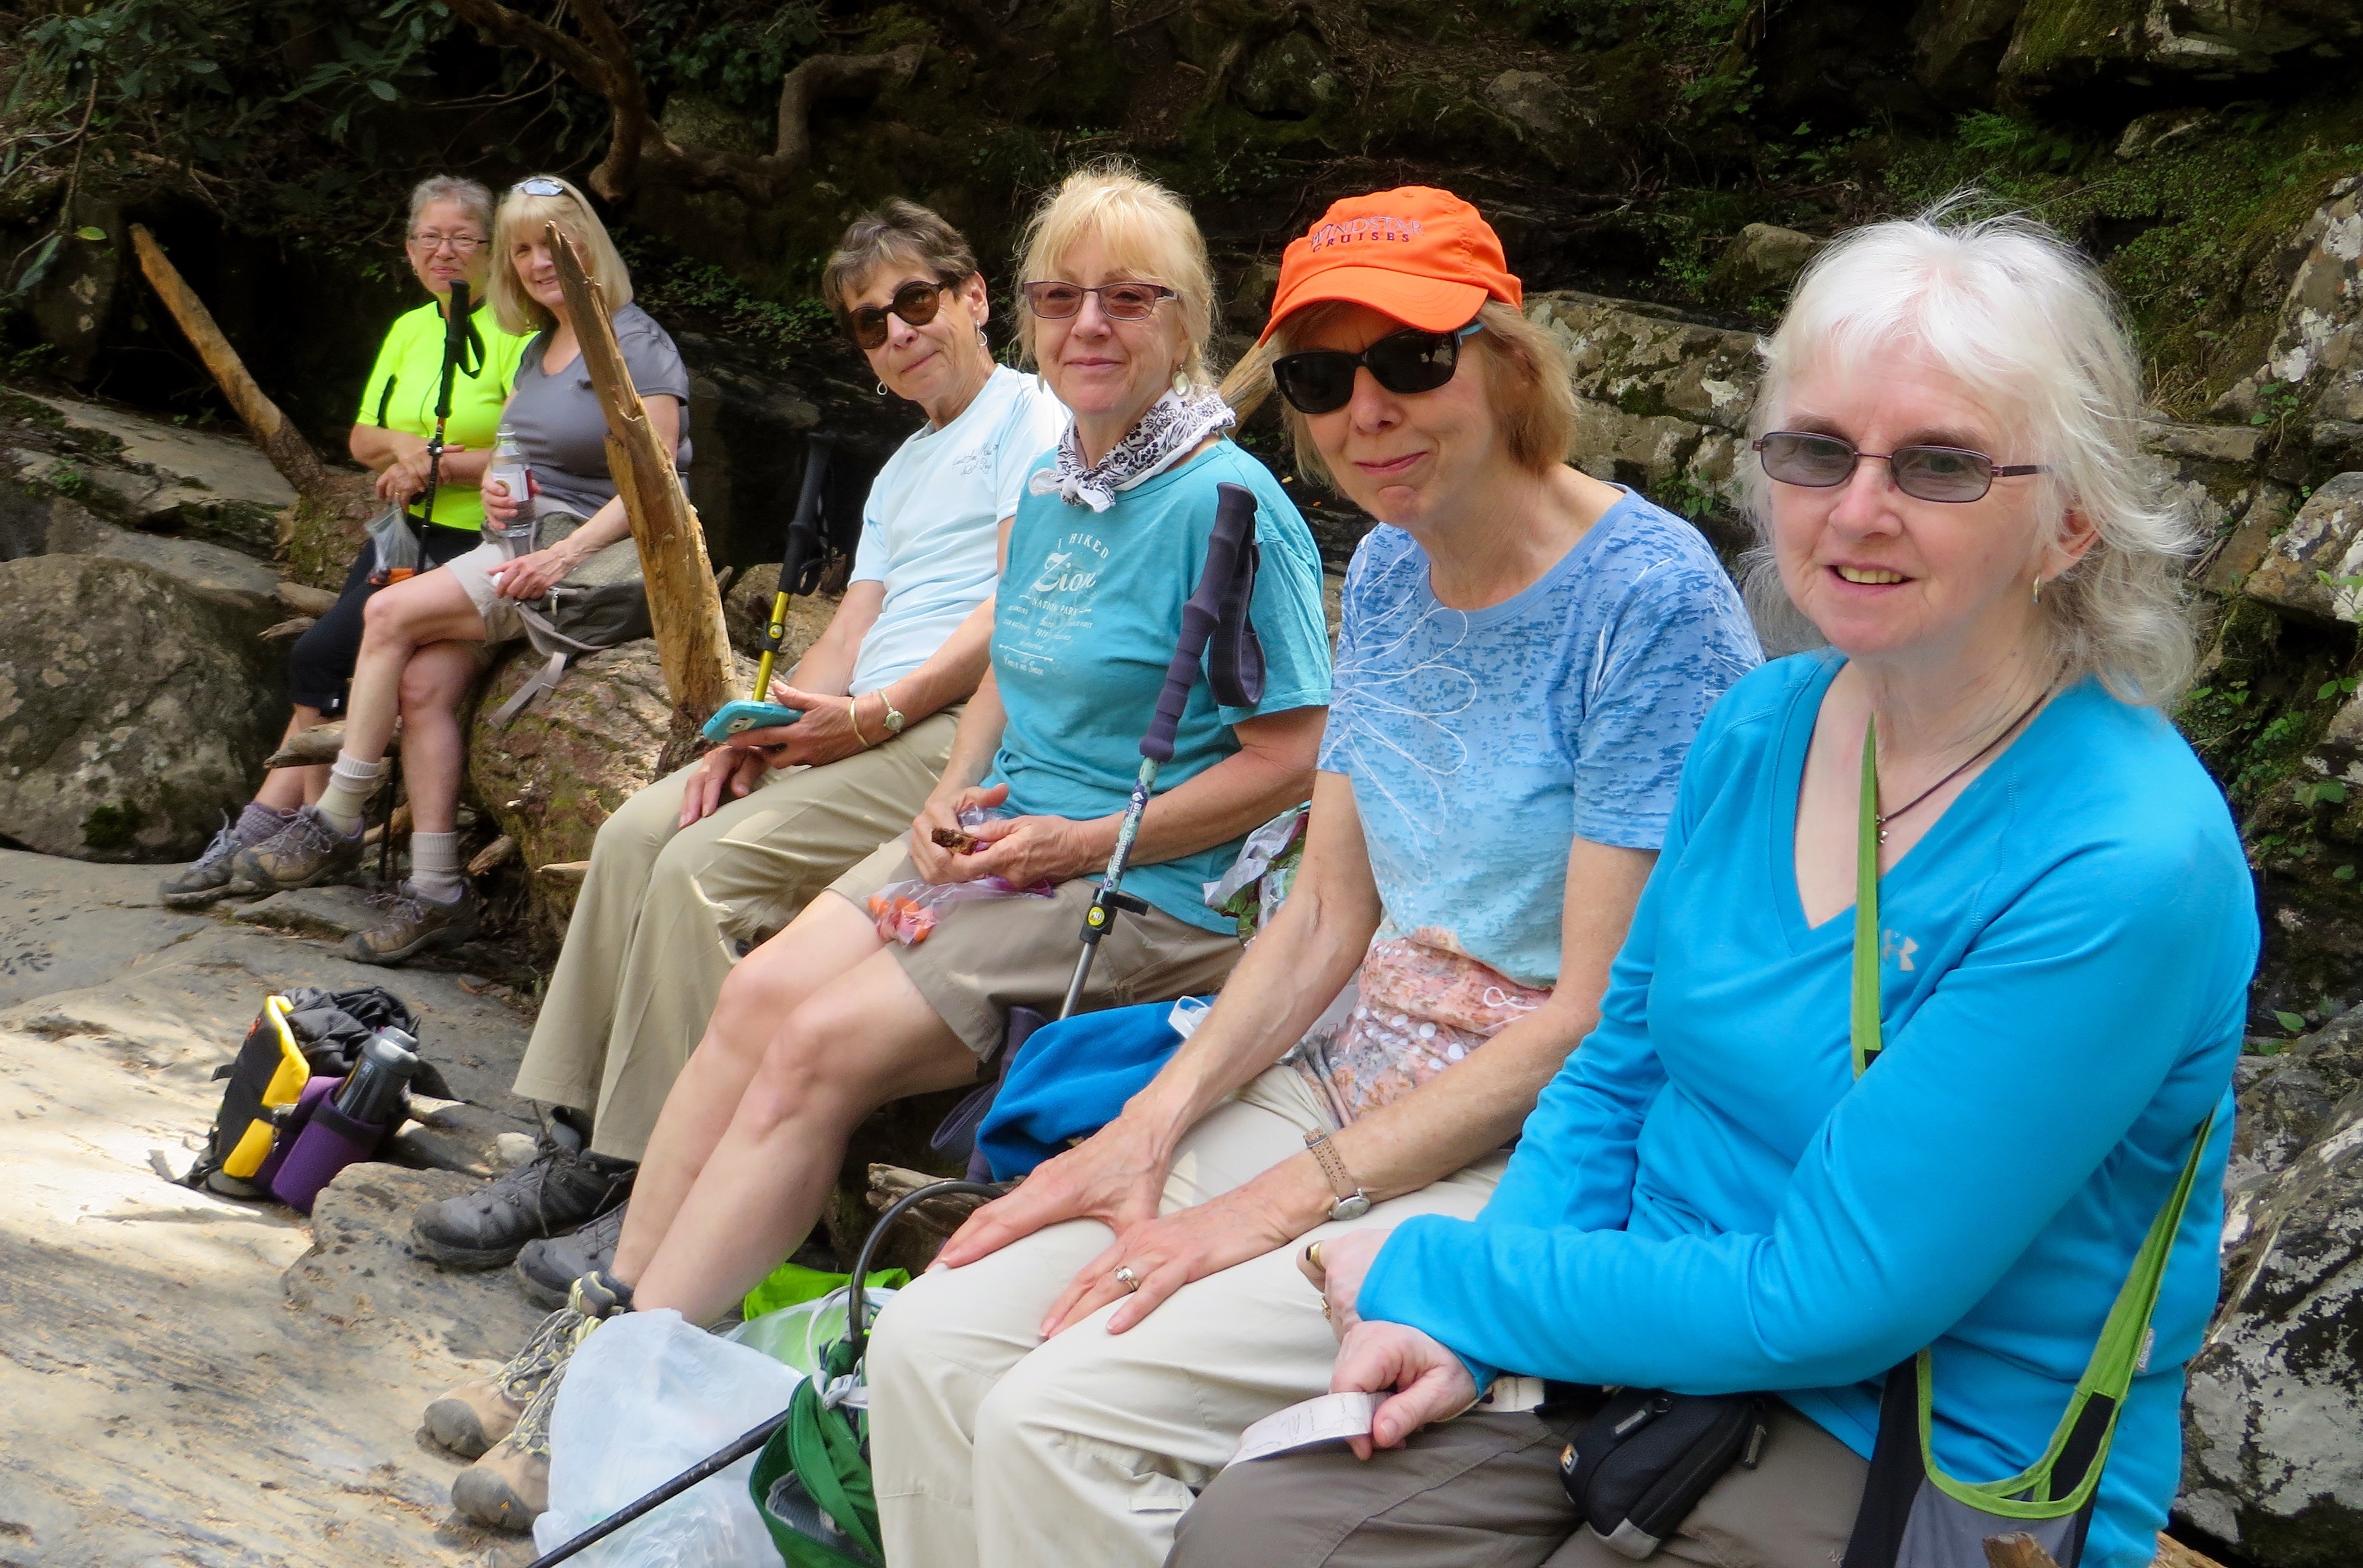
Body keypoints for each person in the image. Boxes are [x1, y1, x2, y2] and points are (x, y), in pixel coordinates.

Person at [1171, 206, 2257, 1568]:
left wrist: (1450, 1274)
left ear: (2067, 521)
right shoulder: (1762, 727)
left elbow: (1833, 1298)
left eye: (1937, 465)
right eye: (1815, 452)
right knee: (1257, 1532)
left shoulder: (2118, 863)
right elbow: (1615, 1065)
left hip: (1910, 1445)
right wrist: (1476, 1320)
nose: (1856, 510)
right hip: (1645, 1344)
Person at [426, 160, 1336, 1533]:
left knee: (812, 1047)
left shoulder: (1227, 508)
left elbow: (1293, 760)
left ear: (1183, 316)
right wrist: (943, 795)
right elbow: (1010, 682)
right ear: (1026, 312)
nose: (1089, 322)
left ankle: (599, 1406)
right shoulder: (1056, 485)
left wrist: (1078, 837)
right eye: (1061, 296)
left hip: (1133, 893)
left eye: (1126, 298)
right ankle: (601, 1336)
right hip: (991, 855)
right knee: (751, 997)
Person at [860, 186, 1763, 1568]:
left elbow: (1589, 1014)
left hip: (1529, 1148)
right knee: (931, 1333)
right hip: (1339, 1078)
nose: (1368, 412)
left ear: (1507, 364)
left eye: (1410, 360)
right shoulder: (1390, 571)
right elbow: (1327, 914)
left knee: (1063, 1413)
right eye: (1321, 377)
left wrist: (1263, 1207)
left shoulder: (1649, 602)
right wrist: (1148, 1133)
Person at [406, 199, 1069, 1304]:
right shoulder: (906, 464)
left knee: (702, 874)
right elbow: (849, 626)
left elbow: (1012, 610)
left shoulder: (1030, 420)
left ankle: (658, 1173)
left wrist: (867, 718)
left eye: (914, 302)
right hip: (864, 725)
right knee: (634, 833)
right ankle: (581, 1146)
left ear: (972, 299)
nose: (897, 332)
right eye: (869, 322)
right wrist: (769, 727)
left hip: (957, 731)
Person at [229, 175, 690, 965]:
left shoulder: (634, 341)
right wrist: (504, 494)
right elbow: (515, 453)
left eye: (554, 242)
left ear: (590, 246)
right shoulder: (543, 345)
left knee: (386, 615)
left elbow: (659, 486)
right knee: (422, 685)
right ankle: (439, 891)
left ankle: (339, 814)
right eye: (522, 249)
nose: (541, 261)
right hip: (517, 548)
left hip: (594, 563)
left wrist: (562, 552)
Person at [161, 175, 530, 907]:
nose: (444, 252)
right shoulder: (411, 329)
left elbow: (531, 448)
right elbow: (363, 439)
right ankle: (291, 826)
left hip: (479, 538)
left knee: (334, 658)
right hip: (406, 532)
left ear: (494, 251)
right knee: (325, 657)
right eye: (430, 238)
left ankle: (280, 827)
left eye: (463, 238)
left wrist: (438, 464)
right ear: (408, 248)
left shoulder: (519, 332)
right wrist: (406, 450)